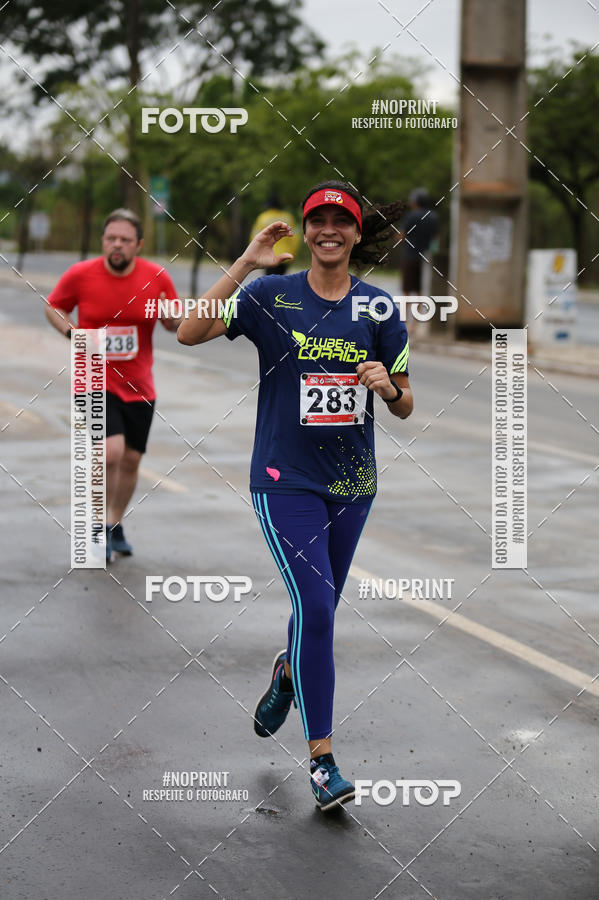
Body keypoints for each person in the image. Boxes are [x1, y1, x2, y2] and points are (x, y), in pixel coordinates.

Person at [178, 180, 413, 811]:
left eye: (342, 221)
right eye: (318, 221)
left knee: (320, 612)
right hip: (285, 480)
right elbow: (188, 331)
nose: (328, 230)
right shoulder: (270, 295)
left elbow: (407, 402)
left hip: (353, 485)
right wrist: (247, 261)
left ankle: (288, 670)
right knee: (316, 606)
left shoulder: (380, 310)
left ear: (356, 234)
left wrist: (385, 387)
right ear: (306, 232)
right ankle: (322, 762)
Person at [45, 208, 180, 563]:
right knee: (111, 452)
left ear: (139, 244)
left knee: (132, 460)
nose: (116, 245)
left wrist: (170, 315)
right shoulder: (80, 275)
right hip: (92, 379)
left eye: (124, 239)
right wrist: (72, 333)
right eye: (110, 238)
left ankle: (113, 523)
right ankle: (95, 526)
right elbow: (54, 306)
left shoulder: (156, 277)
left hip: (138, 385)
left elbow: (174, 324)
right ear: (102, 241)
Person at [399, 187, 439, 332]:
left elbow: (402, 235)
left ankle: (403, 322)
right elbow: (435, 238)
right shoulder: (433, 217)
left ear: (415, 201)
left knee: (407, 291)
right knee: (421, 291)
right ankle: (414, 325)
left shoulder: (411, 216)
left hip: (410, 256)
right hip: (426, 258)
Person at [249, 191, 299, 276]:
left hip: (267, 256)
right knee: (281, 281)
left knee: (269, 281)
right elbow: (295, 238)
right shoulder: (288, 217)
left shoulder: (262, 218)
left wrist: (256, 253)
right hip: (285, 256)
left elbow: (254, 237)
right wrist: (293, 253)